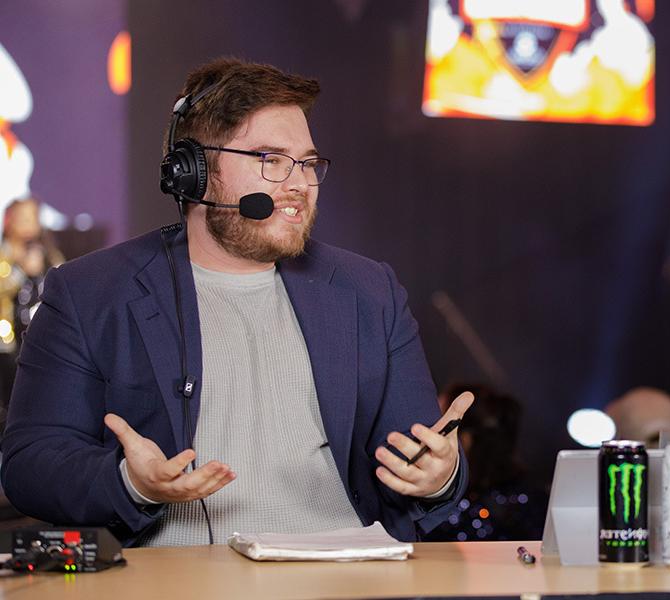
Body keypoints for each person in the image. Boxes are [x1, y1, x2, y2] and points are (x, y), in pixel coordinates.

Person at [0, 58, 471, 546]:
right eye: (270, 159)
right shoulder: (90, 292)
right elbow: (31, 467)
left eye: (308, 163)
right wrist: (132, 483)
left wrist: (437, 478)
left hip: (342, 578)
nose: (298, 185)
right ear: (194, 174)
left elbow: (418, 461)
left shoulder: (369, 291)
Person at [425, 383, 547, 542]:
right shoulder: (532, 496)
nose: (428, 430)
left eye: (437, 420)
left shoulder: (444, 506)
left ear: (465, 439)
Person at [0, 197, 64, 431]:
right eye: (23, 218)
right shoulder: (5, 254)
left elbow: (63, 279)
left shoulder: (47, 253)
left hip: (39, 333)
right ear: (9, 221)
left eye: (34, 218)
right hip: (7, 340)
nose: (30, 224)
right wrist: (19, 269)